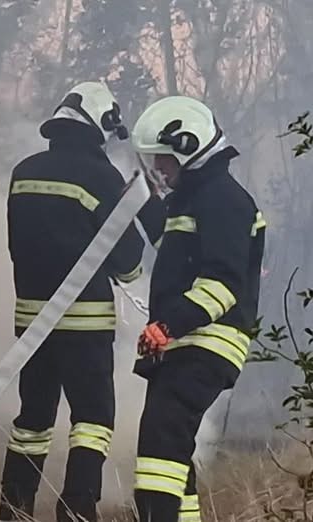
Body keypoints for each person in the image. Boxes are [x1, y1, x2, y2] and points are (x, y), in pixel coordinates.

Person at [1, 81, 164, 522]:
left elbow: (20, 245)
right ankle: (76, 508)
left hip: (31, 323)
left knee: (32, 419)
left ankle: (13, 509)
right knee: (92, 418)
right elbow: (128, 259)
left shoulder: (23, 171)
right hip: (85, 324)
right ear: (102, 125)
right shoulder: (100, 176)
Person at [129, 95, 266, 522]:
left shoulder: (224, 200)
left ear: (188, 147)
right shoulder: (196, 200)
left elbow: (224, 283)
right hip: (187, 342)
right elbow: (174, 254)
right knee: (173, 464)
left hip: (206, 342)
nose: (159, 170)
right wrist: (138, 201)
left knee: (159, 456)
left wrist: (168, 325)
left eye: (163, 161)